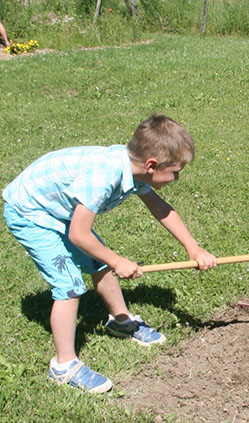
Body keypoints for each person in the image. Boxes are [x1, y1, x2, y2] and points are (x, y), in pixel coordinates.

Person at [2, 115, 217, 393]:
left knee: (98, 264)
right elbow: (79, 235)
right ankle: (63, 365)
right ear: (151, 165)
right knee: (69, 286)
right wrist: (116, 260)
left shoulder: (133, 168)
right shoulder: (104, 176)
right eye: (176, 172)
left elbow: (159, 207)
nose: (177, 178)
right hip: (31, 213)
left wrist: (193, 247)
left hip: (59, 210)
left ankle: (120, 321)